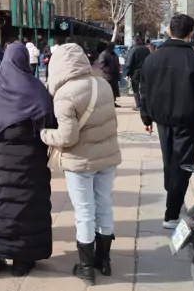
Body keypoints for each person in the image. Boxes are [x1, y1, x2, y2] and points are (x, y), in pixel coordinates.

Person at [41, 44, 122, 285]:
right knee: (104, 205)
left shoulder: (65, 94)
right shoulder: (103, 84)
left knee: (85, 212)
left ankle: (86, 267)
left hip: (79, 161)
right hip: (107, 156)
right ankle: (104, 261)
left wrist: (45, 135)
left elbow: (68, 138)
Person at [0, 43, 55, 278]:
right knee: (26, 206)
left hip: (1, 156)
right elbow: (49, 119)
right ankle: (23, 260)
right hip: (30, 159)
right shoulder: (35, 87)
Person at [139, 14, 194, 229]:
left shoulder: (151, 58)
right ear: (191, 32)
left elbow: (143, 90)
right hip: (188, 119)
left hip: (162, 119)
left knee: (169, 161)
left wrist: (145, 116)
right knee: (182, 164)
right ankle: (171, 214)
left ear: (169, 31)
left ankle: (173, 199)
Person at [124, 36, 151, 112]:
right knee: (144, 88)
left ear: (133, 41)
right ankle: (145, 105)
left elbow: (129, 63)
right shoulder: (146, 49)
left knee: (135, 89)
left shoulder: (133, 49)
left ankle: (138, 105)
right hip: (145, 71)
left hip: (135, 72)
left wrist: (127, 73)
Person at [96, 42, 121, 108]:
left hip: (114, 75)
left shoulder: (114, 54)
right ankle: (107, 103)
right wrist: (109, 70)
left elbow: (117, 64)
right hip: (107, 76)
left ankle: (113, 102)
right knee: (108, 90)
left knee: (114, 90)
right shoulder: (103, 54)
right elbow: (101, 65)